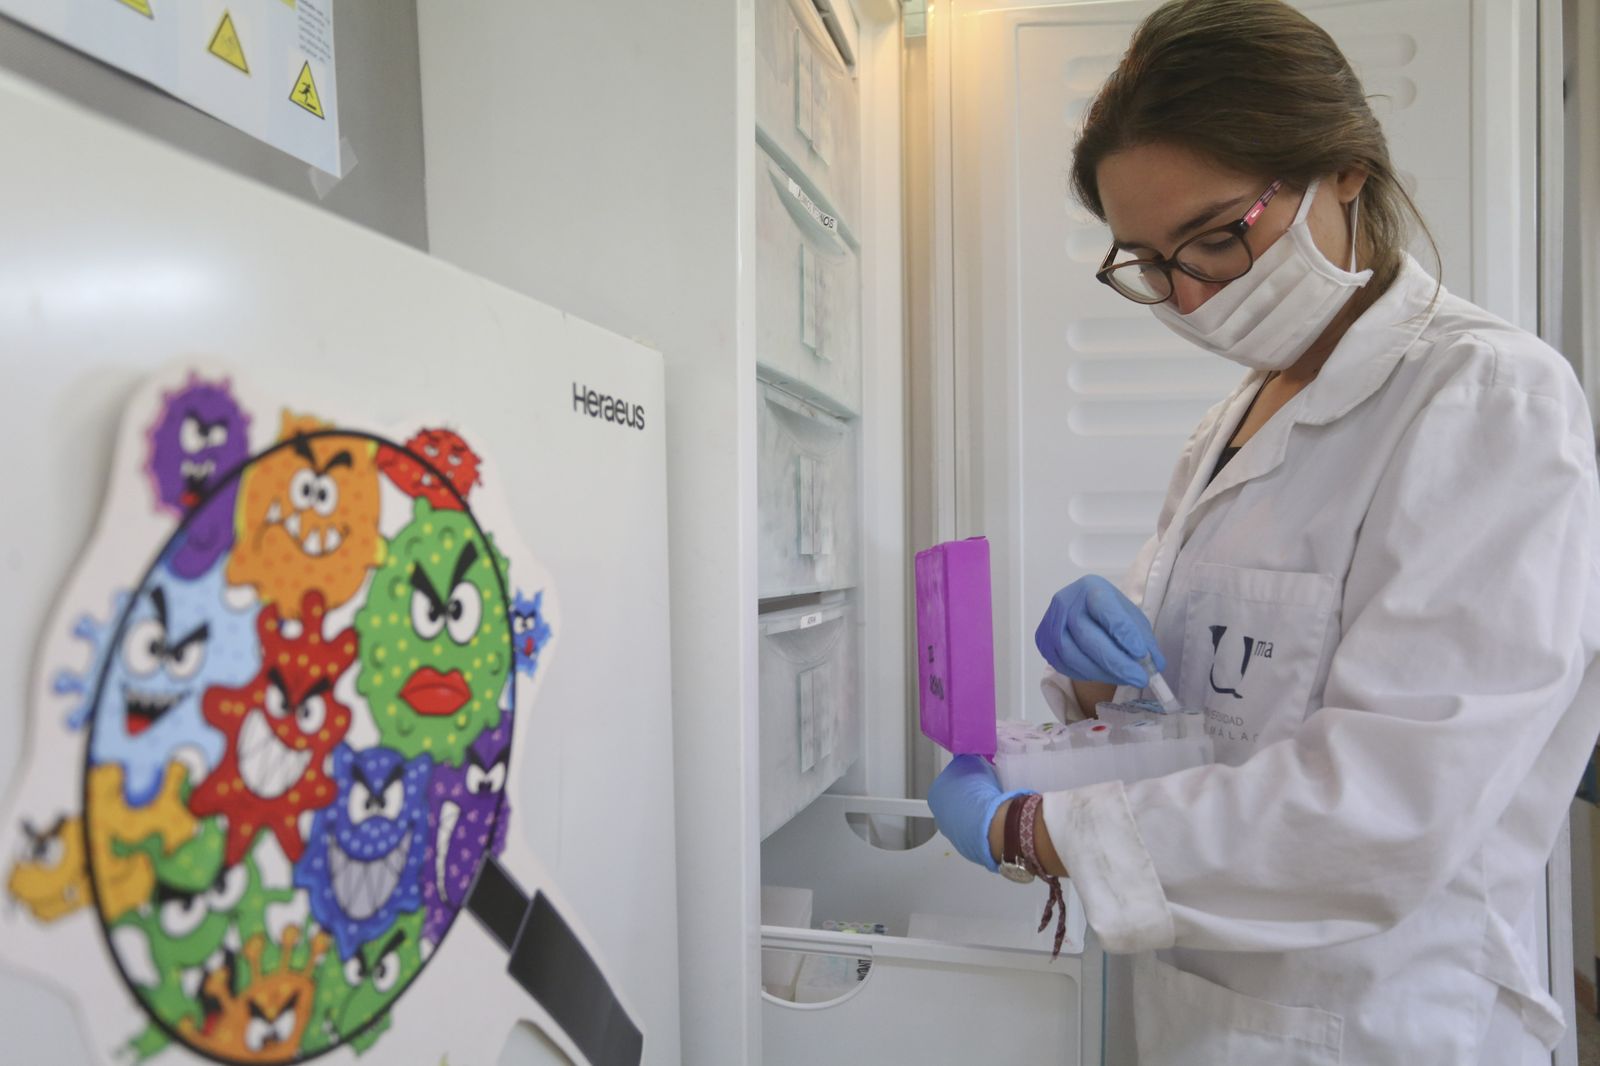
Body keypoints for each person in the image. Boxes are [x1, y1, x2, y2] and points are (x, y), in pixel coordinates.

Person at [926, 2, 1600, 1063]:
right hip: (1202, 1006)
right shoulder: (1225, 424)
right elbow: (1203, 713)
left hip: (1376, 1020)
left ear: (1342, 170)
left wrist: (1030, 832)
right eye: (1148, 260)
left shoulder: (1483, 398)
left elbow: (1385, 808)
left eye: (1213, 236)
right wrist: (1102, 685)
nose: (1188, 293)